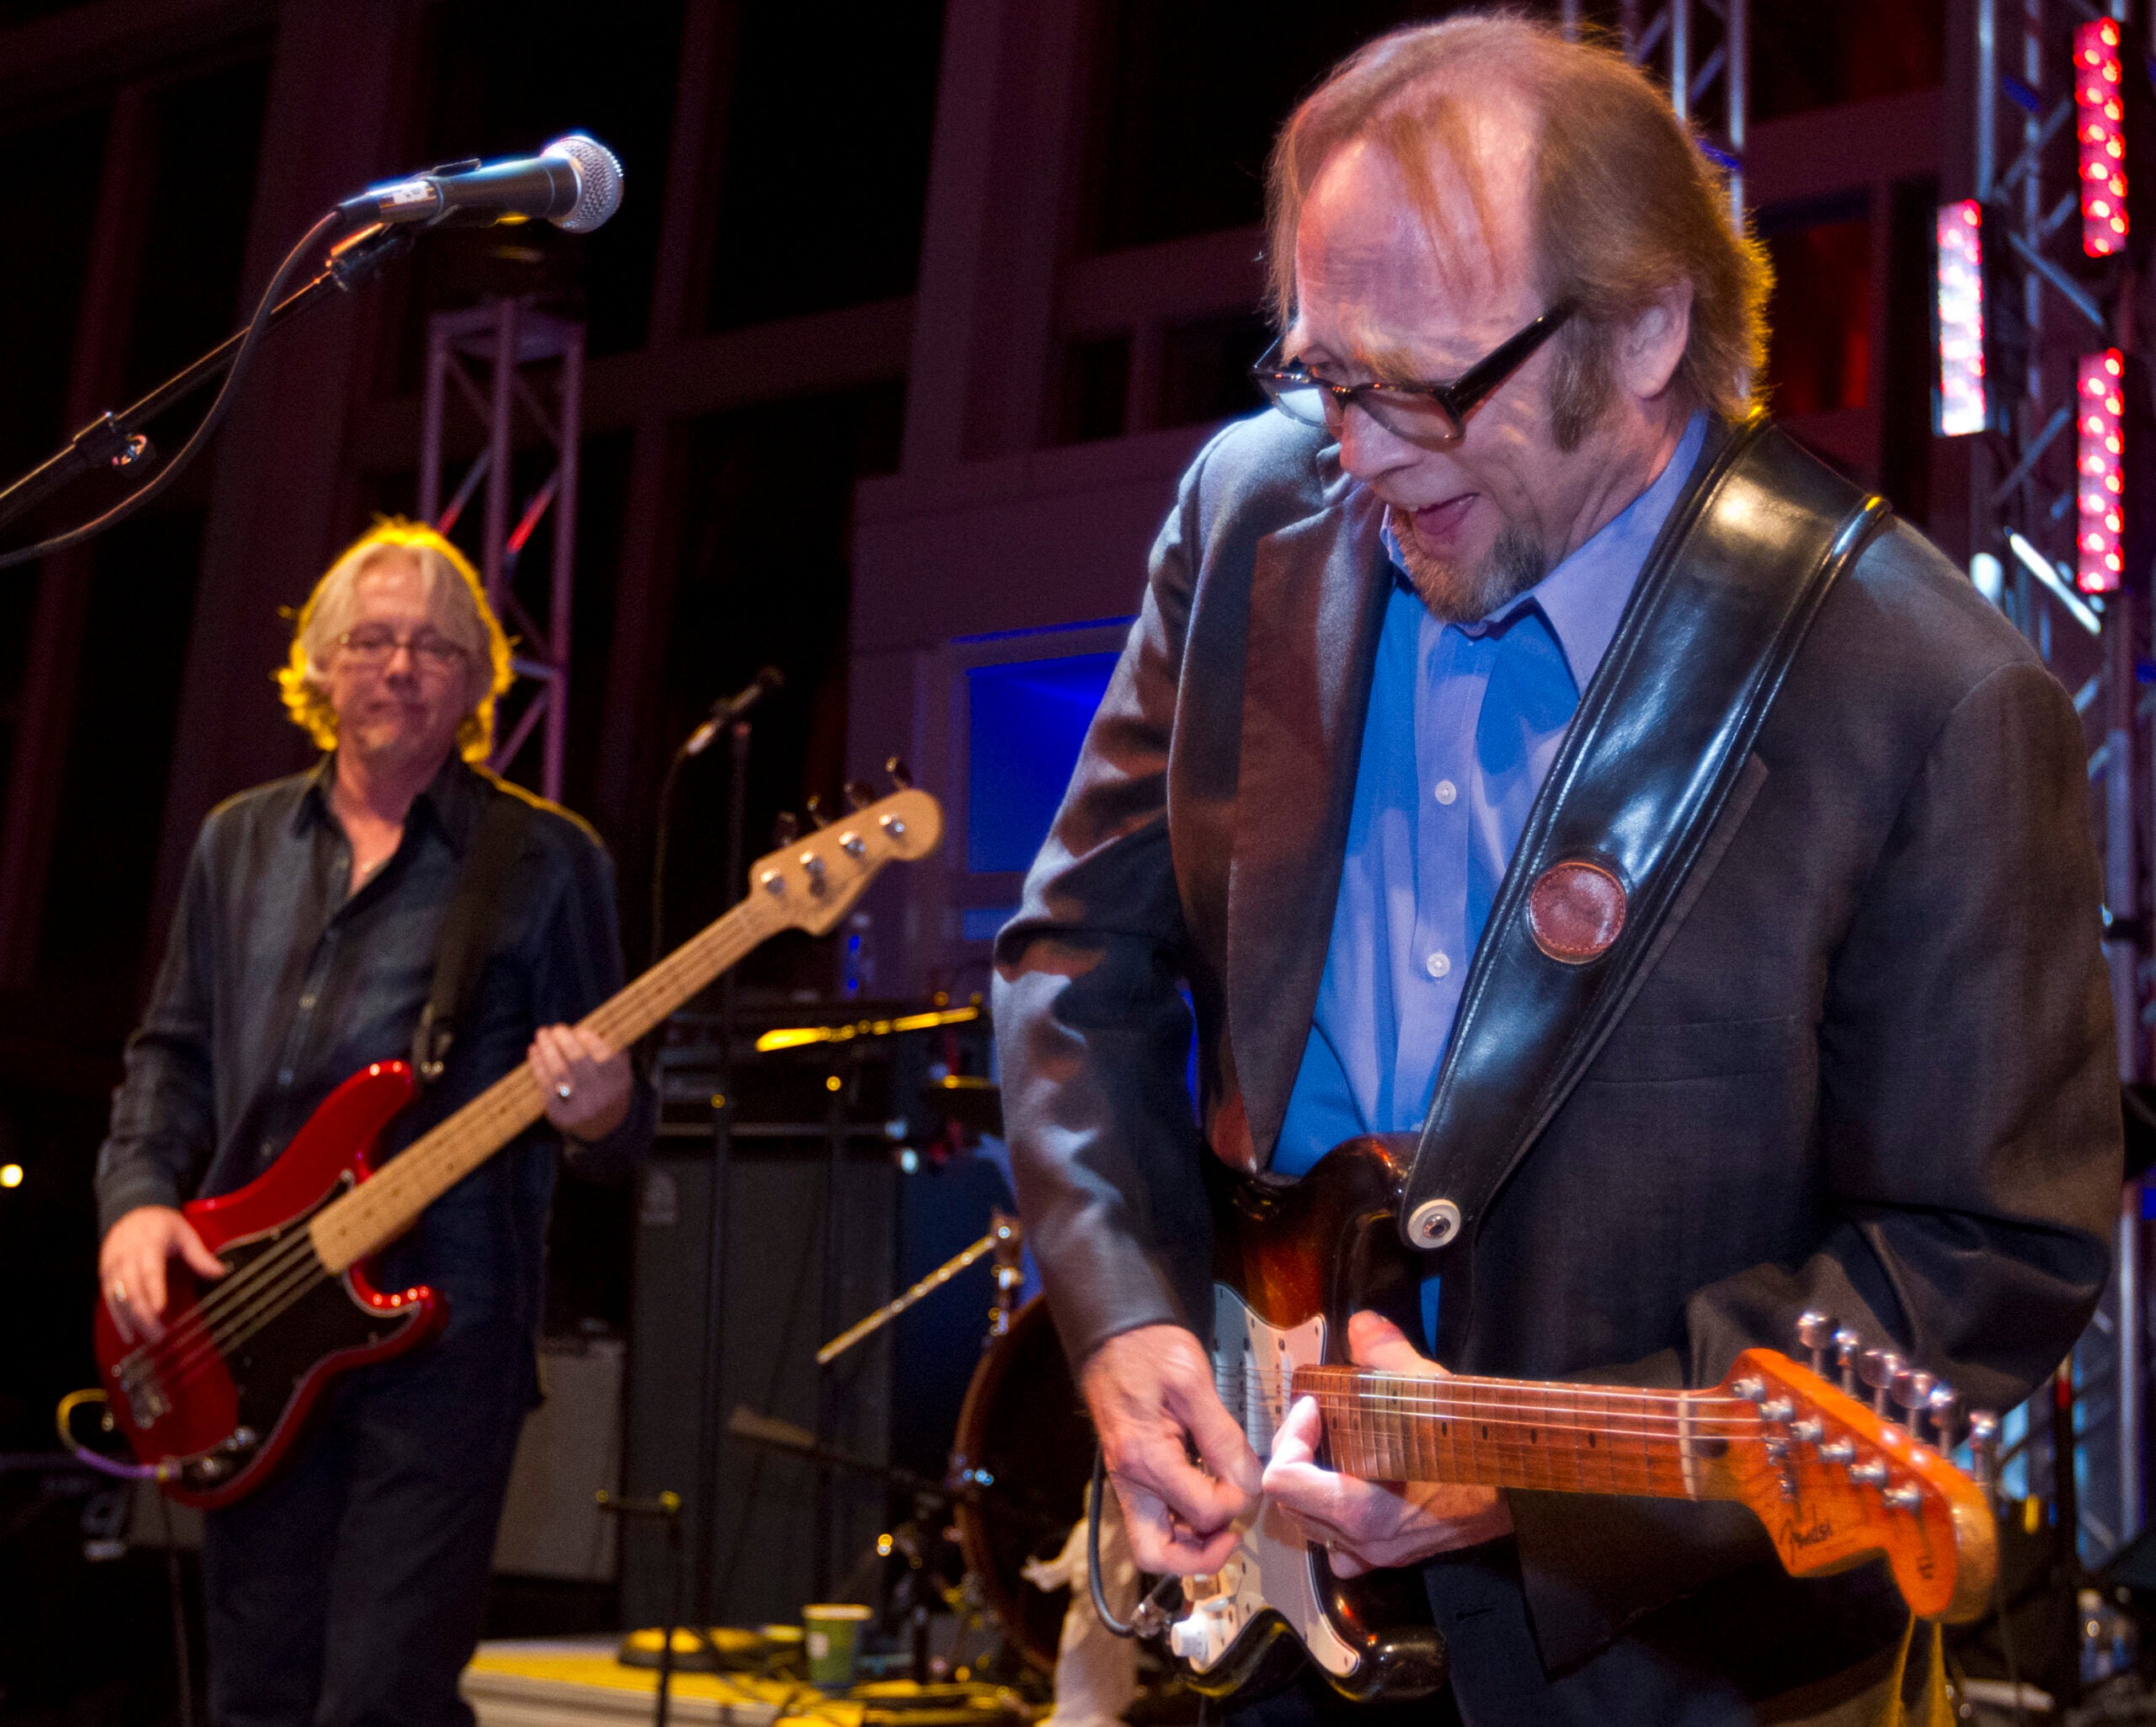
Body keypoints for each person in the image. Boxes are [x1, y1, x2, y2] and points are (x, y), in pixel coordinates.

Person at [994, 16, 2121, 1724]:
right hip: (1241, 1604)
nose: (1357, 451)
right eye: (1321, 374)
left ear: (1647, 329)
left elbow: (1977, 1250)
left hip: (1670, 1668)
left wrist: (1543, 1476)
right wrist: (1122, 1317)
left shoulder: (1927, 690)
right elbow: (1074, 956)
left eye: (1423, 382)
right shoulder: (1249, 512)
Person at [94, 520, 654, 1727]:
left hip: (448, 1334)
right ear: (321, 667)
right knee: (257, 1689)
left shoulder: (547, 860)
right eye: (374, 641)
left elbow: (616, 1139)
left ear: (474, 685)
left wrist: (604, 1112)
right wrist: (137, 1205)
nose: (401, 666)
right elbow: (170, 1057)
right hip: (243, 1313)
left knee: (384, 1696)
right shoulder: (235, 842)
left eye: (436, 648)